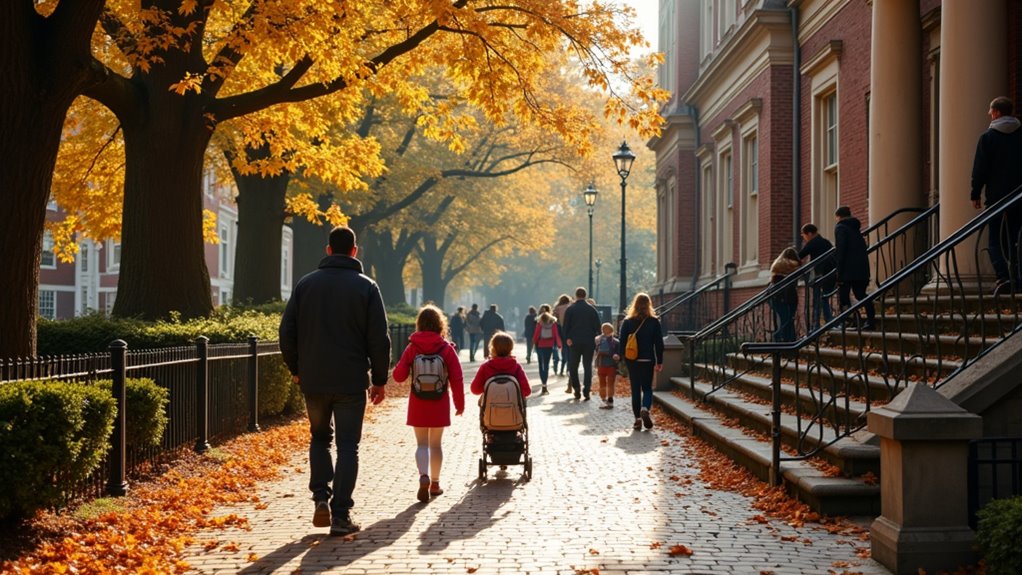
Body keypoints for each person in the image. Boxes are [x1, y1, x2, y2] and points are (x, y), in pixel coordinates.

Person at [279, 226, 391, 536]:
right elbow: (378, 339)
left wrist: (296, 368)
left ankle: (320, 498)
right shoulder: (367, 287)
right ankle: (341, 515)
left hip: (314, 380)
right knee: (347, 447)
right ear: (354, 251)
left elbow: (287, 332)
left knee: (319, 438)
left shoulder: (305, 285)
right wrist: (379, 380)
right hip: (350, 381)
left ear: (329, 250)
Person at [391, 304, 465, 502]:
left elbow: (398, 376)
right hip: (440, 401)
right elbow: (457, 378)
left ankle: (422, 475)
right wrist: (460, 404)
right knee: (436, 444)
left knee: (421, 443)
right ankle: (435, 483)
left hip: (418, 401)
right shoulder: (446, 348)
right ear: (440, 324)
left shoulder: (412, 347)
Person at [971, 96, 1022, 296]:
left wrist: (975, 193)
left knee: (994, 240)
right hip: (1018, 196)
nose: (990, 115)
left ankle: (1003, 276)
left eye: (991, 111)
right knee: (1015, 238)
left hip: (997, 199)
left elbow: (980, 169)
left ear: (998, 113)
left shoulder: (988, 138)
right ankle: (1017, 276)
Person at [618, 293, 664, 431]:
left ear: (635, 304)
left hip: (632, 360)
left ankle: (637, 419)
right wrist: (659, 361)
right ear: (649, 305)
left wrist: (622, 359)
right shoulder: (654, 322)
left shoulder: (627, 321)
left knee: (635, 389)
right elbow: (659, 343)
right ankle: (645, 408)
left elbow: (622, 342)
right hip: (648, 359)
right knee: (647, 388)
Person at [833, 206, 875, 330]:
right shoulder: (855, 229)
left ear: (839, 217)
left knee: (844, 297)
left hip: (847, 269)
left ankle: (849, 320)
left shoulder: (840, 227)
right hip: (861, 268)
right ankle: (870, 320)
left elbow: (841, 249)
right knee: (861, 294)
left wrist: (838, 271)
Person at [562, 287, 602, 400]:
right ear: (585, 295)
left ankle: (576, 389)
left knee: (573, 366)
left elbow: (565, 327)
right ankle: (586, 390)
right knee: (587, 366)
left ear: (576, 295)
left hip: (574, 342)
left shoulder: (570, 309)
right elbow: (598, 327)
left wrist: (567, 338)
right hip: (589, 341)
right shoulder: (592, 309)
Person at [470, 331, 532, 399]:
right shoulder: (516, 367)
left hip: (490, 408)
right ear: (511, 348)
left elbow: (475, 390)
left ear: (492, 348)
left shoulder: (485, 367)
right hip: (513, 407)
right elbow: (527, 391)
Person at [798, 224, 836, 327]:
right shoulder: (825, 242)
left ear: (810, 234)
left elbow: (800, 255)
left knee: (819, 300)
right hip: (830, 273)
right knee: (824, 298)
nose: (804, 238)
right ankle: (828, 322)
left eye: (804, 235)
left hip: (821, 275)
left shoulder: (813, 243)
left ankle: (818, 324)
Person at [769, 247, 801, 342]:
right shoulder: (792, 266)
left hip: (776, 296)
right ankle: (783, 339)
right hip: (785, 297)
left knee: (785, 320)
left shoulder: (777, 265)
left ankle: (786, 340)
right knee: (787, 320)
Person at [531, 304, 561, 395]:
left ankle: (543, 383)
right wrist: (559, 345)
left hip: (540, 345)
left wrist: (532, 344)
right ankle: (545, 384)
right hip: (549, 345)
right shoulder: (553, 323)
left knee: (541, 365)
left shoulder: (539, 323)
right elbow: (556, 335)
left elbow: (536, 335)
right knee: (547, 365)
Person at [594, 322, 621, 409]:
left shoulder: (597, 339)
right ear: (612, 331)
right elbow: (619, 354)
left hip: (601, 364)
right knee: (610, 383)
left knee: (602, 383)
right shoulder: (616, 342)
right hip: (611, 365)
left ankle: (603, 399)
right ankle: (610, 400)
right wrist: (617, 356)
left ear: (602, 330)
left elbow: (596, 351)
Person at [553, 294, 572, 381]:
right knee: (570, 349)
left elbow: (554, 319)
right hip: (570, 329)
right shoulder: (570, 307)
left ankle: (561, 369)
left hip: (560, 329)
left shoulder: (557, 308)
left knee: (564, 349)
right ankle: (568, 368)